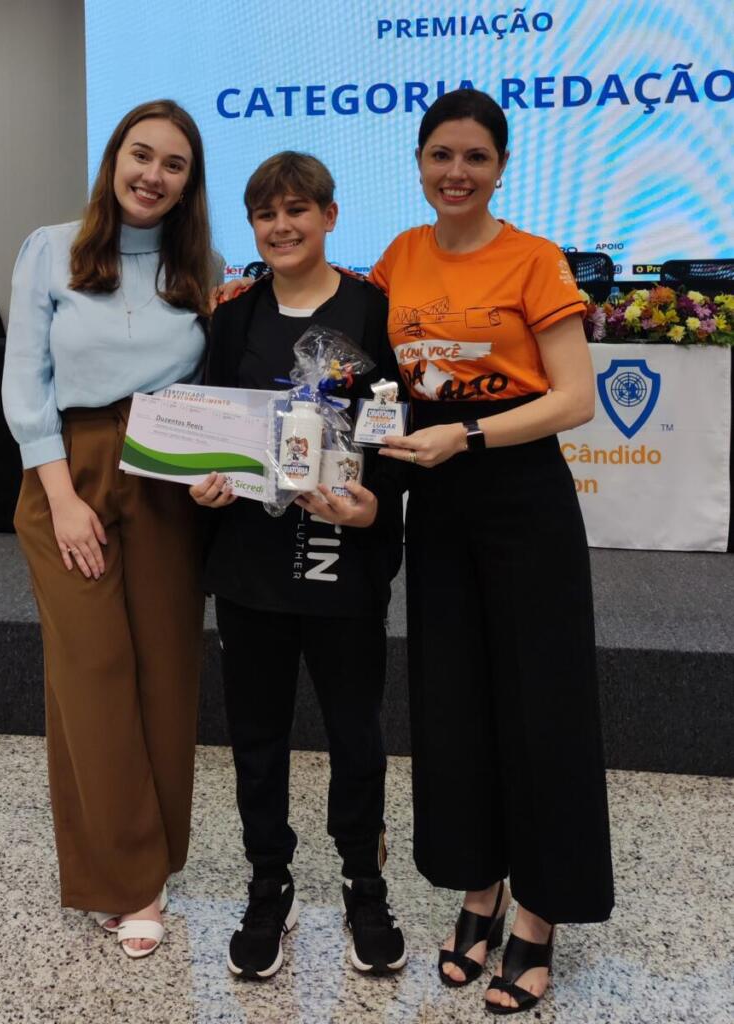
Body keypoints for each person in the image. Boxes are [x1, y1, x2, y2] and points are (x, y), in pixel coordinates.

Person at [371, 89, 614, 1014]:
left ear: (501, 166)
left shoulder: (533, 258)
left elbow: (573, 398)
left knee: (540, 702)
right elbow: (367, 373)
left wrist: (466, 436)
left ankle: (540, 911)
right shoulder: (399, 257)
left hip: (519, 496)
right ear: (418, 162)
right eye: (440, 154)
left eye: (475, 156)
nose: (456, 172)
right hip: (436, 502)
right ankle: (480, 889)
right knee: (453, 701)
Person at [2, 99, 216, 959]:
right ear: (114, 158)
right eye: (141, 154)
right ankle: (124, 877)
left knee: (165, 671)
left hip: (166, 477)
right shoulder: (50, 249)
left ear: (188, 184)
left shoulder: (201, 267)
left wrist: (216, 471)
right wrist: (60, 496)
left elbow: (211, 391)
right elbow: (25, 381)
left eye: (173, 165)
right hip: (70, 469)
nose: (152, 175)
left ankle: (150, 866)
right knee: (90, 671)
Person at [192, 151, 408, 979]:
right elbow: (212, 424)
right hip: (251, 564)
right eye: (266, 214)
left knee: (356, 733)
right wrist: (205, 484)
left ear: (329, 216)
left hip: (342, 560)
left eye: (296, 210)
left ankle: (363, 882)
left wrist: (375, 504)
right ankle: (268, 882)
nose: (281, 227)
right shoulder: (235, 318)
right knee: (256, 733)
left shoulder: (374, 313)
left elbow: (396, 431)